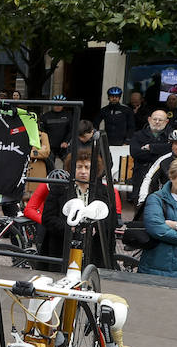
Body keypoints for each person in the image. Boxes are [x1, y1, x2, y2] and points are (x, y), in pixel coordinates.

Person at [39, 144, 120, 272]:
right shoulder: (59, 189)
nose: (83, 171)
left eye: (87, 167)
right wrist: (69, 228)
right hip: (62, 248)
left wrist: (94, 229)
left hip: (93, 250)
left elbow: (111, 221)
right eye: (79, 167)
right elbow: (48, 219)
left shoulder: (104, 192)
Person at [129, 109, 170, 203]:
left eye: (160, 120)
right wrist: (160, 154)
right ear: (149, 119)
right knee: (139, 207)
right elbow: (135, 153)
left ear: (166, 121)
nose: (157, 122)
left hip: (162, 178)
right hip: (140, 175)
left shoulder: (170, 135)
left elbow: (171, 150)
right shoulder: (138, 135)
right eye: (155, 119)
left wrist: (151, 147)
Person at [39, 95, 74, 167]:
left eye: (60, 104)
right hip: (50, 145)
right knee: (49, 165)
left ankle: (67, 177)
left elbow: (71, 130)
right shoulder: (46, 116)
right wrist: (45, 143)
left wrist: (66, 141)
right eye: (56, 104)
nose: (58, 106)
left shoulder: (68, 115)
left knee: (68, 164)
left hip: (63, 146)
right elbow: (42, 131)